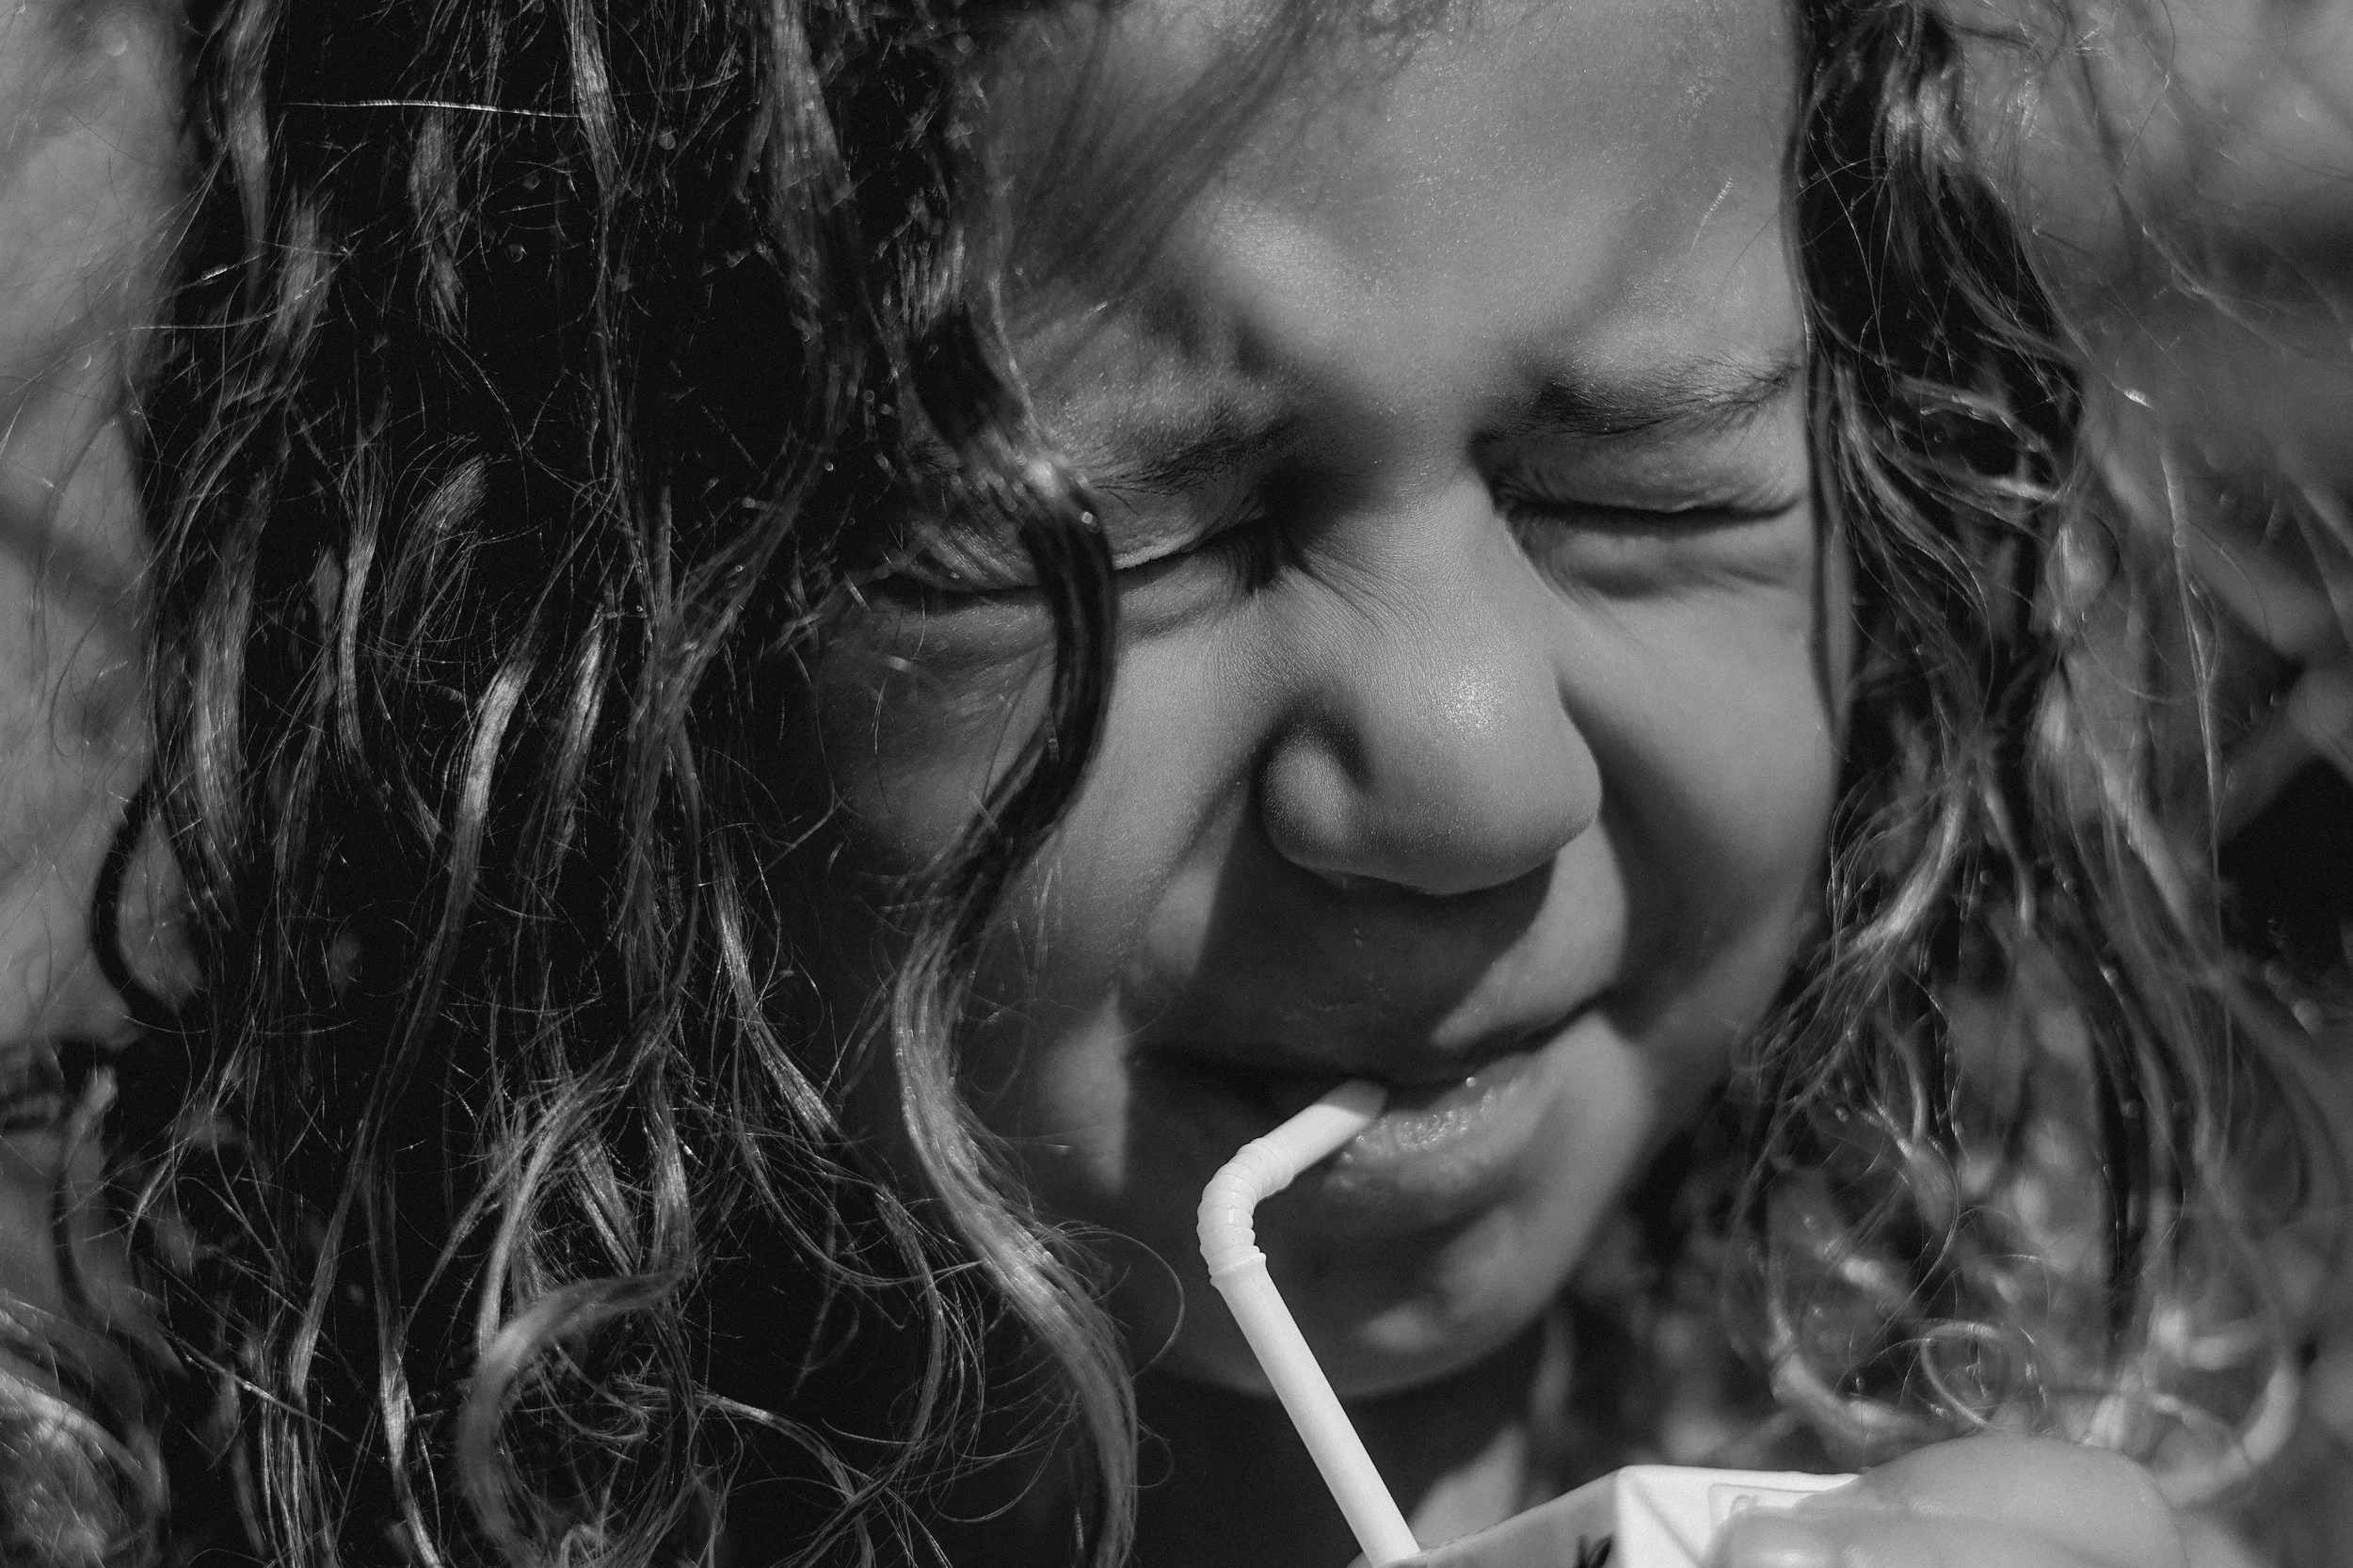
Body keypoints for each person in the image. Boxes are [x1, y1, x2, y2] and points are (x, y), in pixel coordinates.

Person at [0, 0, 2333, 1563]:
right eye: (1135, 539)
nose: (1465, 769)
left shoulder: (2045, 1362)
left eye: (1636, 487)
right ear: (551, 646)